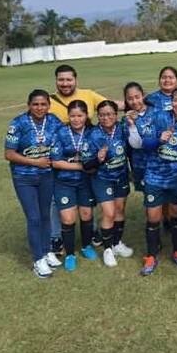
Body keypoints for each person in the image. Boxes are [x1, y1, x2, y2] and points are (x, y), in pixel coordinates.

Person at [48, 64, 122, 251]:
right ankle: (57, 238)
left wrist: (136, 106)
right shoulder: (49, 101)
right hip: (61, 156)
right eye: (61, 80)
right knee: (58, 205)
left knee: (87, 205)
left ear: (75, 80)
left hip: (87, 158)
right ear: (56, 81)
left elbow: (110, 107)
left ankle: (91, 237)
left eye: (68, 79)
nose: (65, 83)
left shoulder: (88, 95)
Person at [138, 87, 177, 276]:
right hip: (154, 177)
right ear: (171, 101)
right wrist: (159, 139)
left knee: (176, 214)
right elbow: (145, 144)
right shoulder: (159, 117)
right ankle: (151, 255)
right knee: (153, 217)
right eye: (176, 100)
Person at [4, 90, 63, 278]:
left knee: (45, 215)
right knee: (34, 218)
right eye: (35, 104)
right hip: (24, 178)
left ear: (49, 105)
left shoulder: (53, 121)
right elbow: (9, 154)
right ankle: (38, 260)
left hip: (46, 176)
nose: (39, 108)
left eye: (43, 104)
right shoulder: (18, 123)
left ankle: (46, 252)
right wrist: (35, 162)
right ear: (29, 105)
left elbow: (65, 138)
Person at [81, 100, 133, 267]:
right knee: (109, 213)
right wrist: (98, 159)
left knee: (119, 211)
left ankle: (117, 243)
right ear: (98, 116)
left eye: (110, 114)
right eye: (102, 115)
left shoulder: (122, 128)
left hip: (121, 176)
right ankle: (108, 249)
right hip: (102, 178)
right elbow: (86, 165)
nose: (106, 117)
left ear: (115, 115)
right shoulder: (93, 135)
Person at [50, 100, 97, 271]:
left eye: (80, 115)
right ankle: (70, 254)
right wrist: (82, 166)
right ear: (68, 116)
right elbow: (56, 162)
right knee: (68, 219)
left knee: (86, 215)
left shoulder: (93, 132)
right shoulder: (61, 132)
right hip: (64, 182)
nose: (76, 119)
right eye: (72, 116)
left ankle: (86, 246)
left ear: (86, 116)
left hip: (86, 183)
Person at [122, 82, 156, 193]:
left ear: (143, 95)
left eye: (137, 97)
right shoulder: (125, 120)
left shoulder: (156, 112)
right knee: (148, 199)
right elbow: (134, 145)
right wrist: (131, 124)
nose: (134, 101)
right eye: (130, 99)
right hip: (139, 164)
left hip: (158, 164)